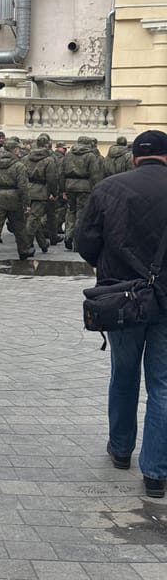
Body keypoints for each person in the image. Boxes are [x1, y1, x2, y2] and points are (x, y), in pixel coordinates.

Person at [77, 129, 167, 499]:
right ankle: (156, 472)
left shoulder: (109, 188)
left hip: (123, 296)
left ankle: (120, 449)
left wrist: (111, 265)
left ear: (133, 158)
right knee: (163, 384)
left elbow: (85, 241)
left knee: (124, 375)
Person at [0, 137, 32, 263]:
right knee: (19, 226)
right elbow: (23, 186)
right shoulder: (19, 165)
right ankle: (23, 251)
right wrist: (26, 203)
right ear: (15, 150)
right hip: (14, 197)